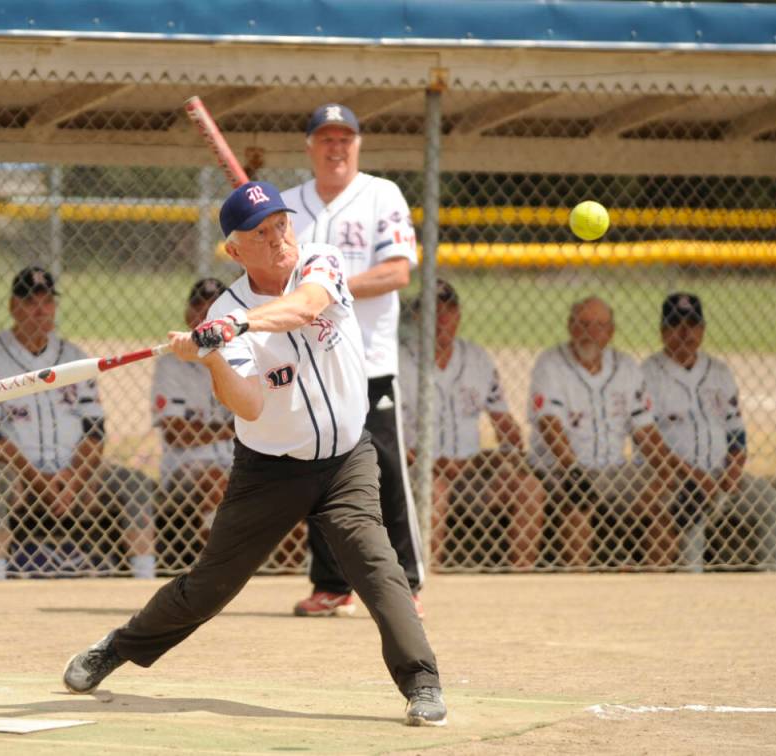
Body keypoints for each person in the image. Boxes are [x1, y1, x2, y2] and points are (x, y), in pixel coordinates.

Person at [62, 181, 446, 726]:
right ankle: (118, 648)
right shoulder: (226, 310)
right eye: (260, 233)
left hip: (344, 458)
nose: (278, 238)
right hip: (270, 471)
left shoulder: (321, 260)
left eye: (280, 224)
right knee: (208, 590)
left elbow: (305, 306)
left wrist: (236, 326)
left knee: (377, 568)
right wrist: (212, 356)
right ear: (234, 251)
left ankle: (423, 685)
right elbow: (249, 403)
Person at [281, 103, 424, 618]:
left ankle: (404, 583)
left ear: (357, 145)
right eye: (326, 139)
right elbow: (274, 278)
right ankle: (332, 584)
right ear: (310, 147)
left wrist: (329, 287)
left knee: (384, 469)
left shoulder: (381, 194)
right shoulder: (287, 206)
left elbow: (397, 273)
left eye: (345, 139)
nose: (335, 148)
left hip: (369, 360)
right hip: (310, 364)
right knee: (317, 473)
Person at [0, 266, 157, 579]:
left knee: (134, 483)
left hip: (73, 472)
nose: (41, 310)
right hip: (17, 474)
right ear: (13, 306)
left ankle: (144, 577)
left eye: (47, 301)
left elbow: (95, 430)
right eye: (30, 302)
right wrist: (39, 480)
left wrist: (74, 478)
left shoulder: (74, 356)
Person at [399, 280, 545, 570]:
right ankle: (428, 575)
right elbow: (391, 437)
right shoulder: (398, 359)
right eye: (433, 311)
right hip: (418, 467)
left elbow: (503, 423)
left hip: (472, 469)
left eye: (449, 310)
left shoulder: (478, 359)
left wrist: (511, 451)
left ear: (459, 315)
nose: (442, 318)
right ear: (417, 317)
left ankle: (522, 576)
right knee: (435, 491)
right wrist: (431, 464)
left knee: (529, 487)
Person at [642, 293, 776, 571]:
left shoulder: (719, 372)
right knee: (692, 507)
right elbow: (648, 443)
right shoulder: (647, 374)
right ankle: (692, 588)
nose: (685, 332)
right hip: (672, 479)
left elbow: (736, 431)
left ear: (703, 329)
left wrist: (734, 469)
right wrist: (693, 476)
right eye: (676, 324)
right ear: (662, 331)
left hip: (722, 475)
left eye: (692, 324)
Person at [527, 297, 676, 568]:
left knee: (666, 504)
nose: (590, 333)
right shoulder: (551, 364)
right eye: (583, 324)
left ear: (611, 332)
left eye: (599, 326)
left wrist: (667, 471)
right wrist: (572, 469)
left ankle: (657, 588)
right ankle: (580, 587)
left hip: (615, 470)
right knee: (578, 501)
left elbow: (646, 432)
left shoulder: (627, 367)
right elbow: (549, 424)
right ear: (570, 327)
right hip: (560, 469)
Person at [151, 278, 235, 558]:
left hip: (238, 460)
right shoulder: (171, 364)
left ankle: (286, 572)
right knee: (216, 480)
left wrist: (222, 429)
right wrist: (234, 427)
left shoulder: (247, 357)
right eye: (200, 307)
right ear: (189, 315)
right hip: (186, 466)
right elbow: (177, 434)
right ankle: (220, 566)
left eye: (215, 309)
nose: (206, 316)